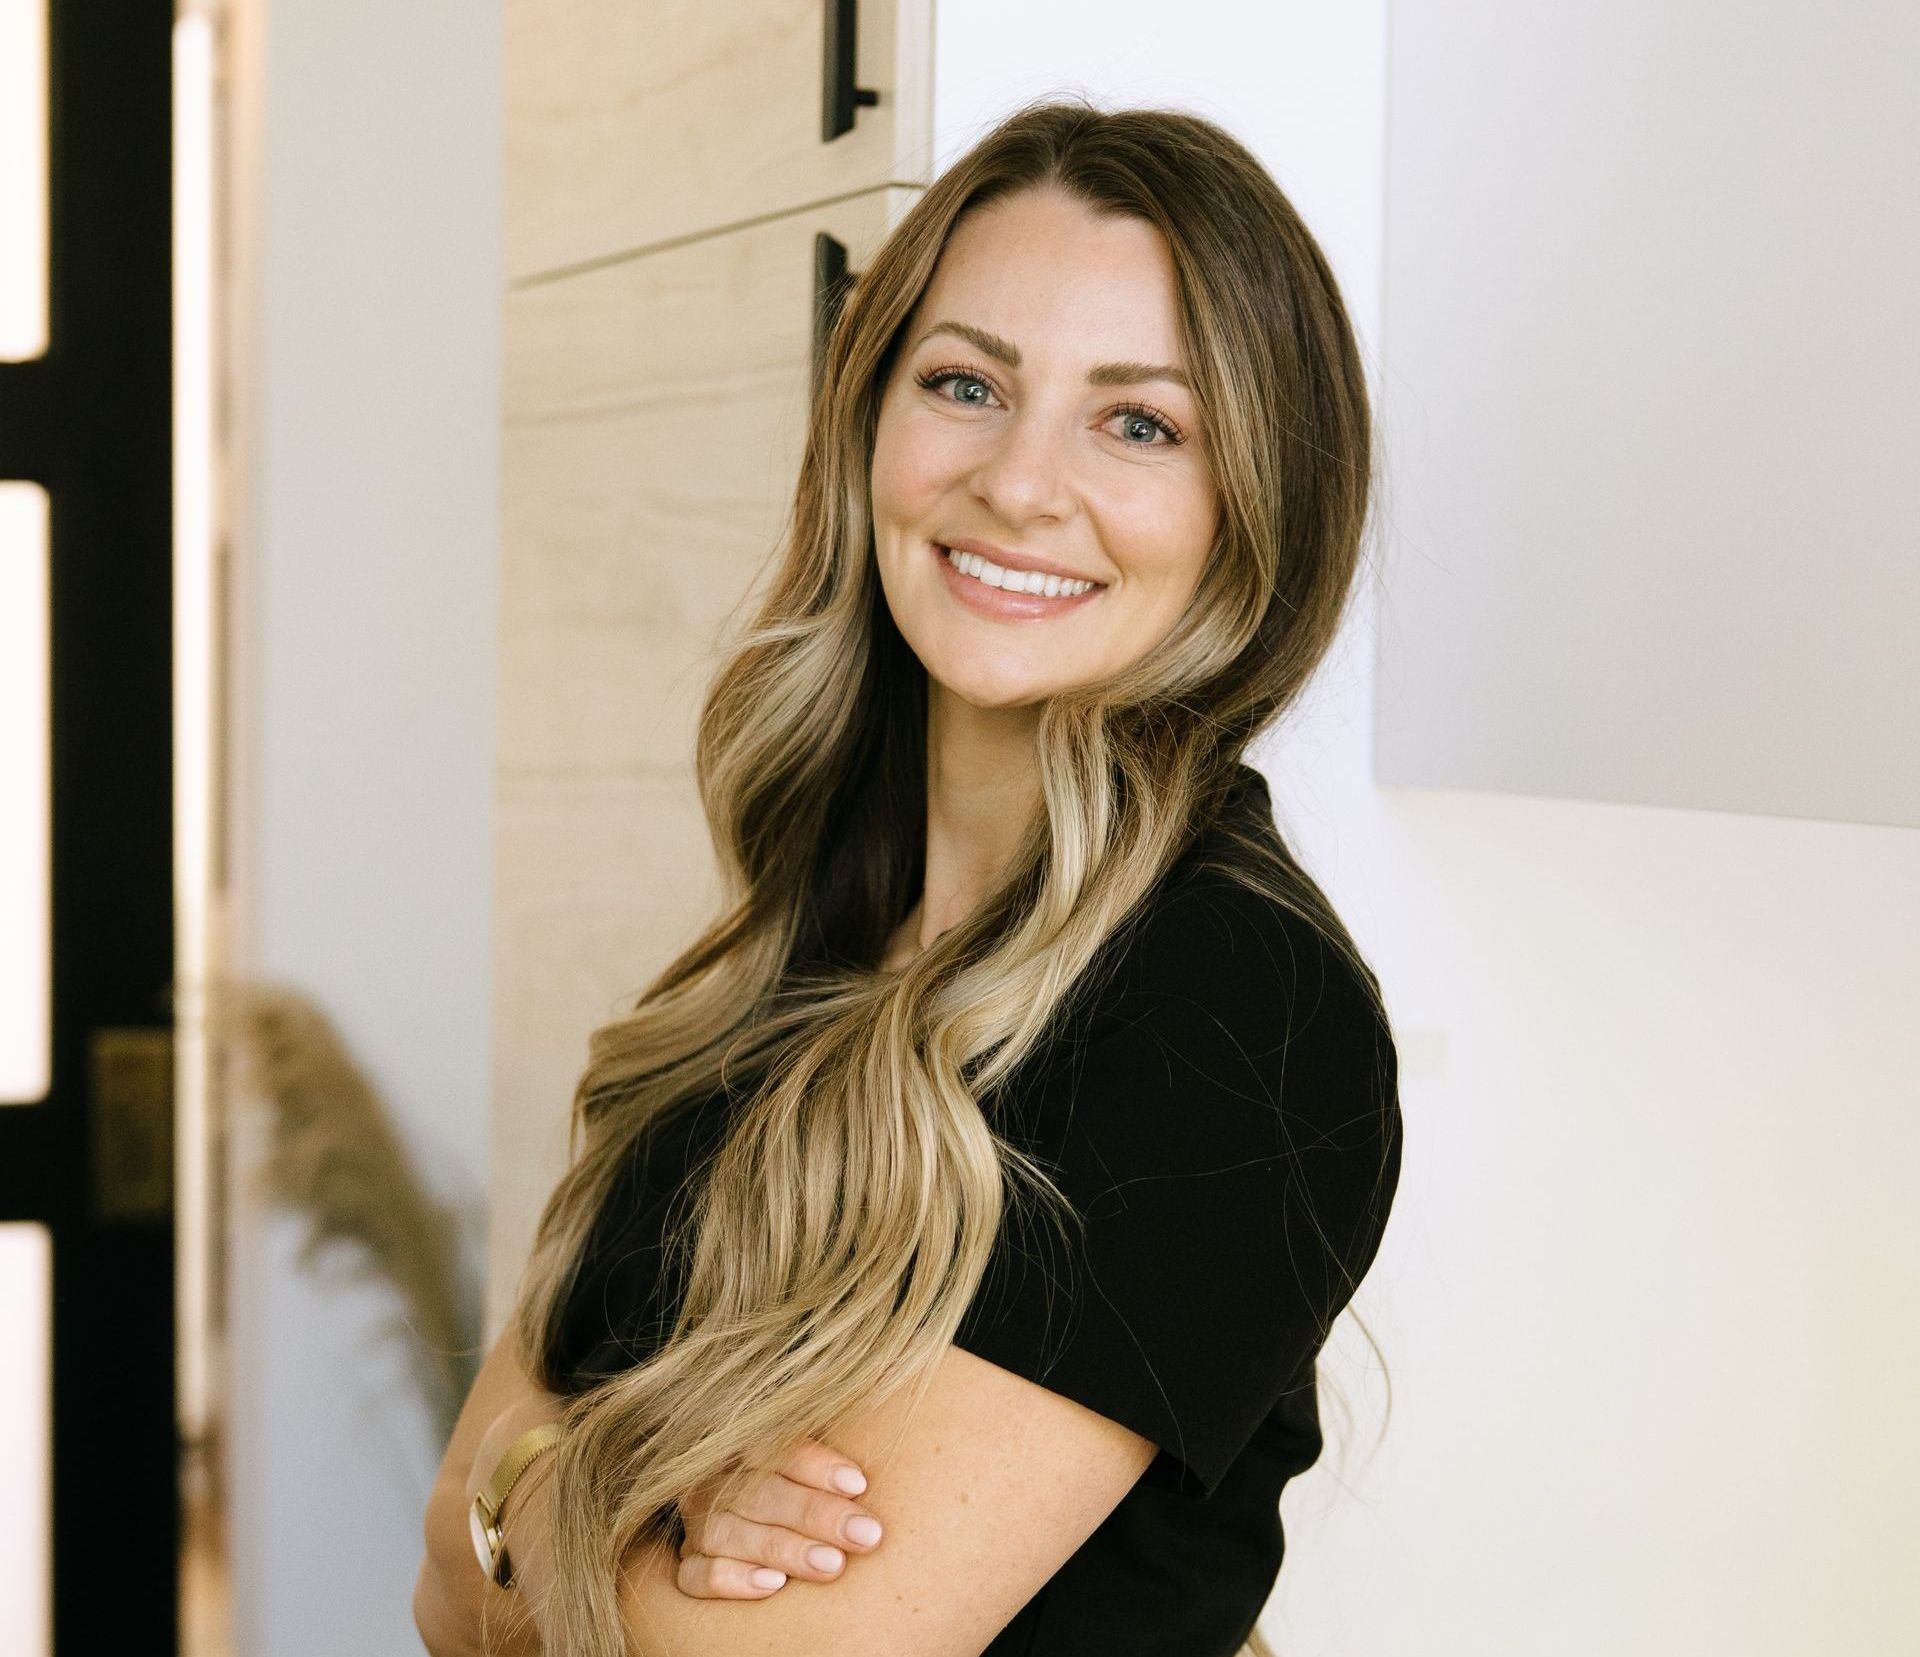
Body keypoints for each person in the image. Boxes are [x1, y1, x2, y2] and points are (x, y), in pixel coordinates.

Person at [414, 98, 1404, 1657]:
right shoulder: (804, 931)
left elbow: (682, 1634)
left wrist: (539, 1475)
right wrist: (612, 1511)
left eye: (1139, 422)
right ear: (869, 419)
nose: (1018, 483)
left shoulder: (1229, 1005)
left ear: (1256, 511)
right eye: (966, 384)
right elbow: (439, 1597)